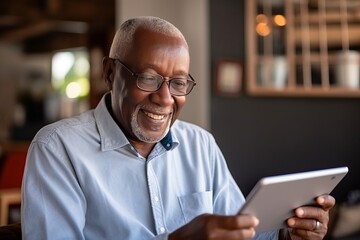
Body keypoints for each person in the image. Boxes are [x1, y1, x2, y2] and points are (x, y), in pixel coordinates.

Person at [21, 16, 335, 240]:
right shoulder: (57, 148)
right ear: (109, 72)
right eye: (148, 78)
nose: (164, 98)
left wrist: (290, 233)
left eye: (179, 83)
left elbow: (245, 230)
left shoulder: (201, 145)